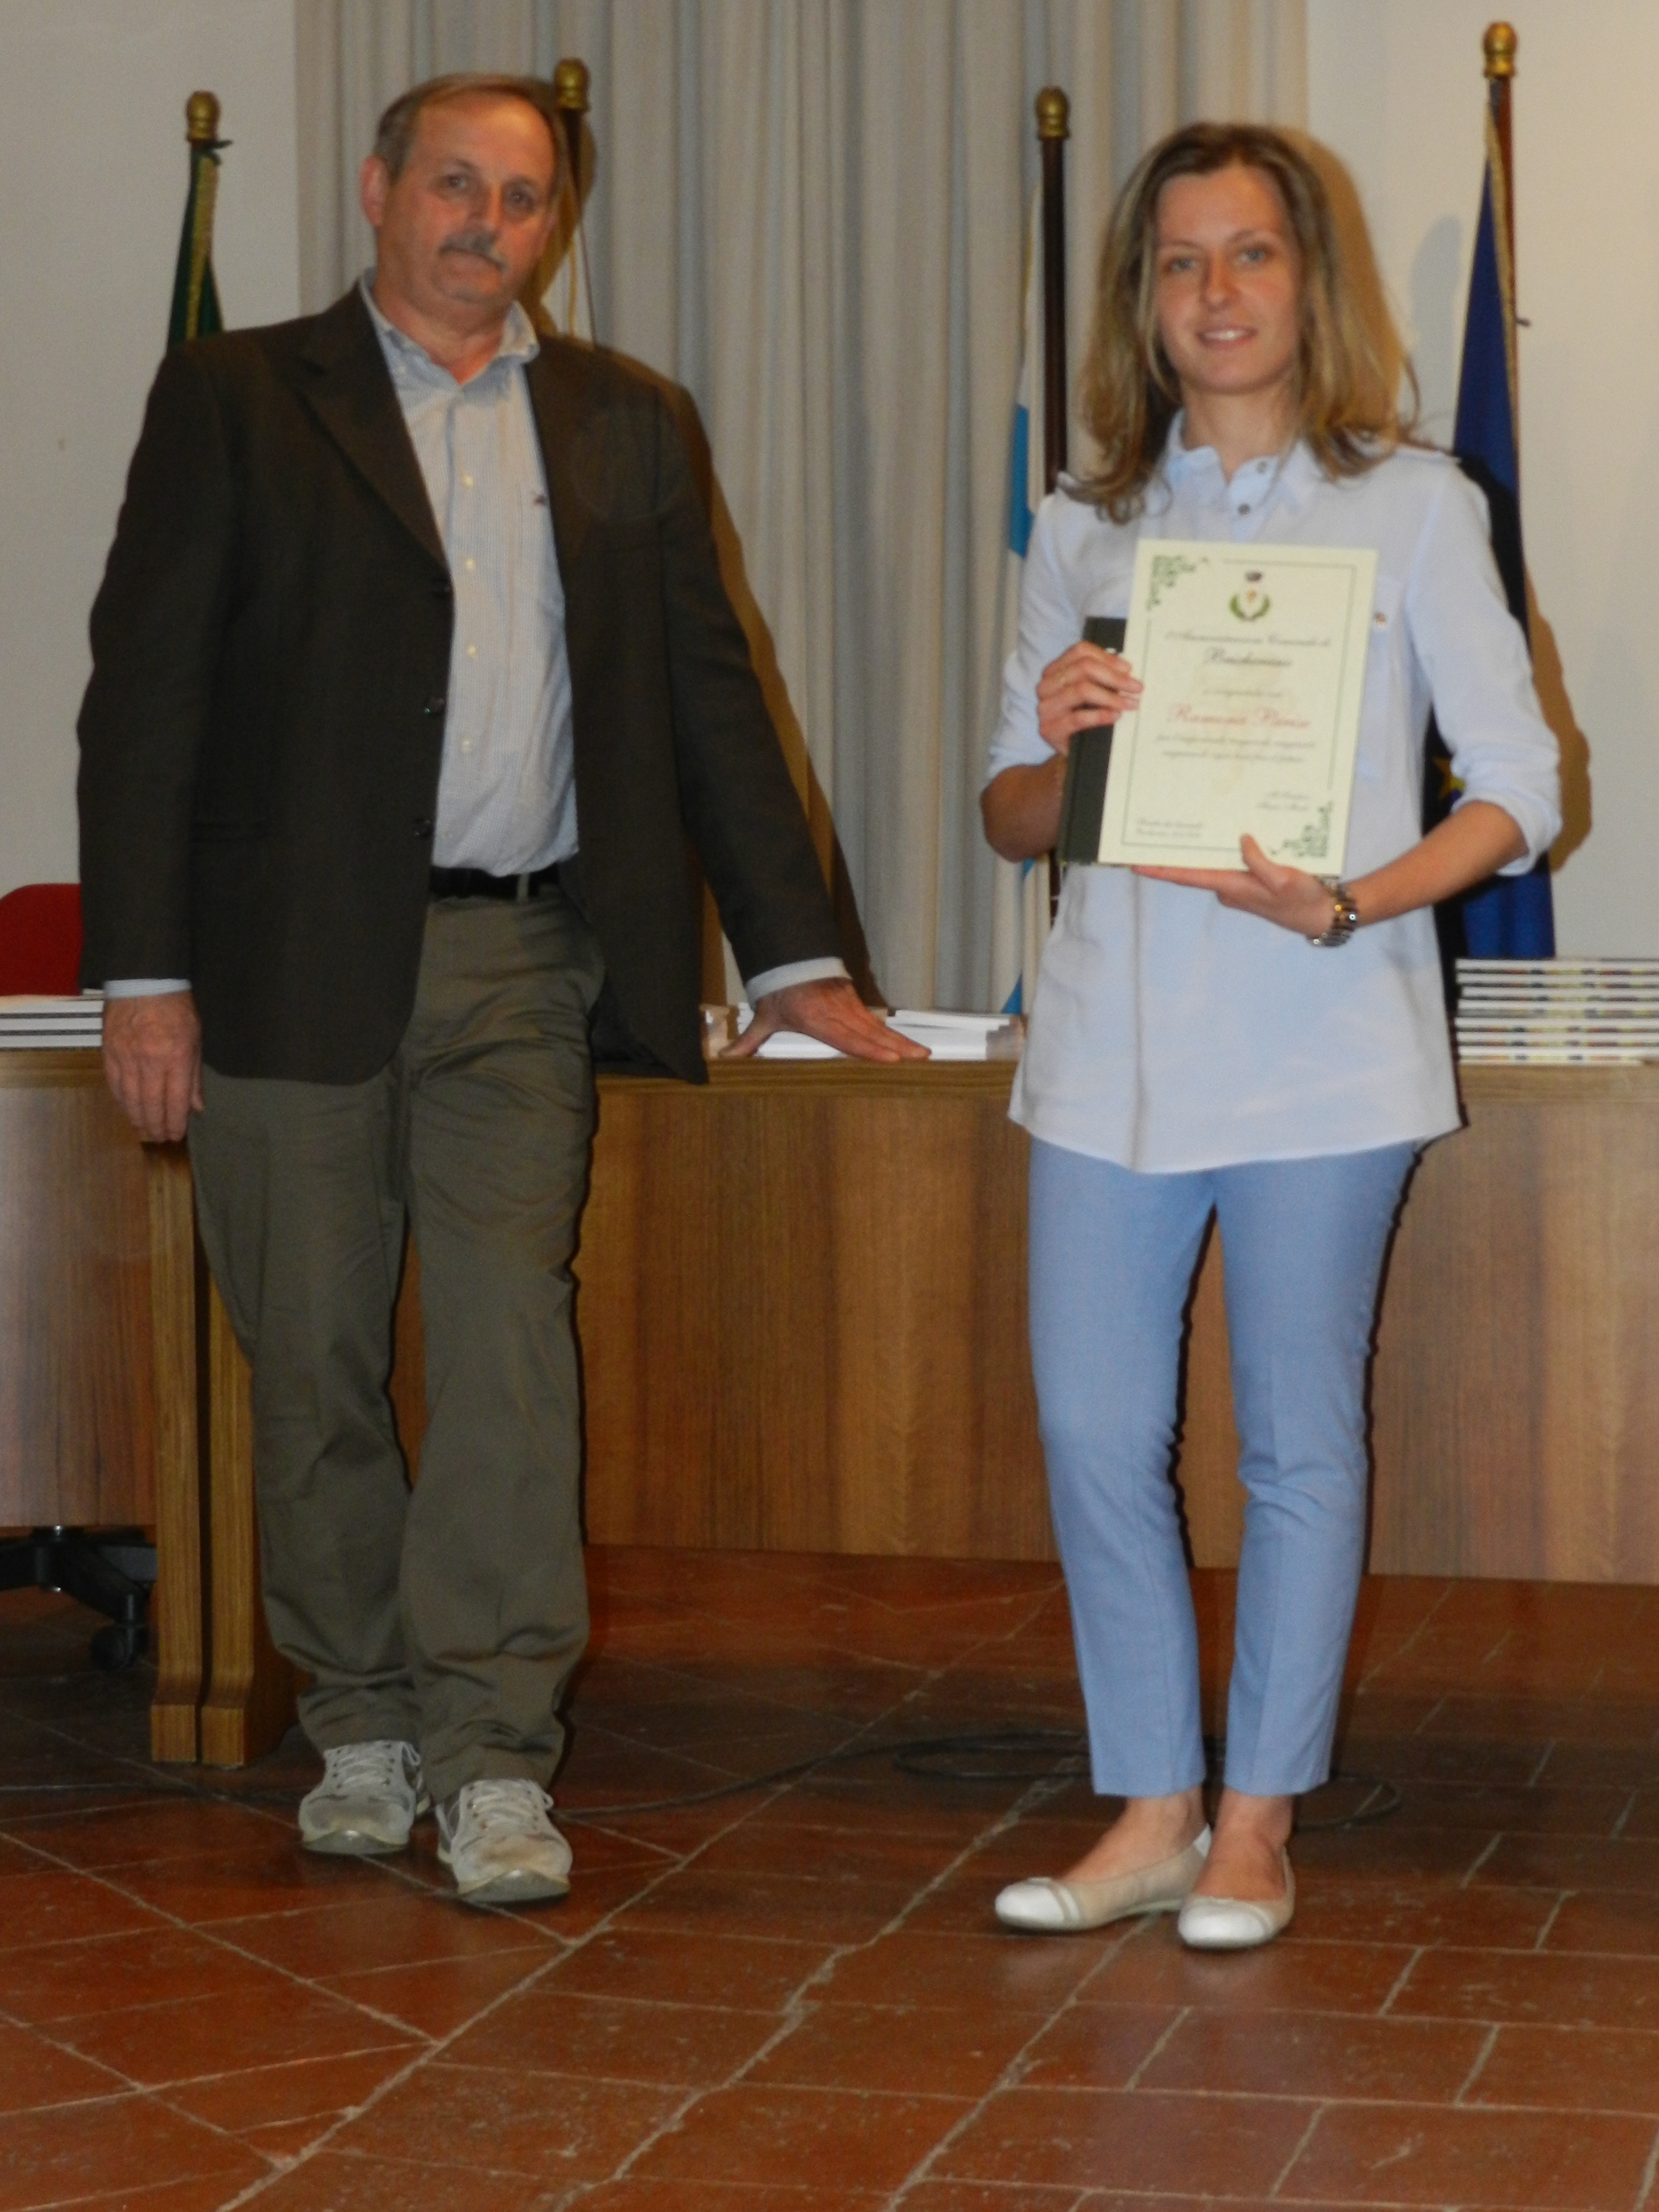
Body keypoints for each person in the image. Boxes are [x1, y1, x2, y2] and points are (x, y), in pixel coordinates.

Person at [79, 72, 922, 1908]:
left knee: (508, 1352)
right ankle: (362, 1721)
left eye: (522, 196)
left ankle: (491, 1753)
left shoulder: (624, 419)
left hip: (526, 958)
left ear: (557, 219)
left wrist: (796, 958)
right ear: (379, 189)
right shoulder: (240, 395)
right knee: (310, 1355)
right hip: (281, 966)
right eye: (454, 183)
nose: (487, 222)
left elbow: (711, 689)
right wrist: (143, 977)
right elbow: (144, 695)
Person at [980, 123, 1558, 1948]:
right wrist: (1059, 740)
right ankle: (1151, 1804)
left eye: (1249, 255)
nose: (1215, 292)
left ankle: (1254, 1823)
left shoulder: (1415, 506)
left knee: (1299, 1443)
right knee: (1095, 1433)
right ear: (1141, 300)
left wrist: (1352, 902)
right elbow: (1006, 814)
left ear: (1311, 280)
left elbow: (1525, 792)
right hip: (1108, 1054)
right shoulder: (1086, 524)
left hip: (1326, 1043)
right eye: (1179, 262)